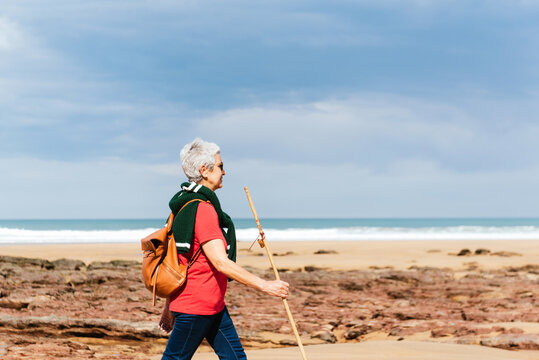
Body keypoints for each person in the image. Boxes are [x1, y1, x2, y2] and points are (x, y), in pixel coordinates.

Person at [159, 138, 289, 360]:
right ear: (204, 171)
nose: (224, 172)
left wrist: (169, 306)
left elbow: (179, 262)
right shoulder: (203, 209)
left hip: (212, 304)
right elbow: (220, 262)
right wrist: (266, 285)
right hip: (197, 307)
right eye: (220, 166)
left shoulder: (183, 206)